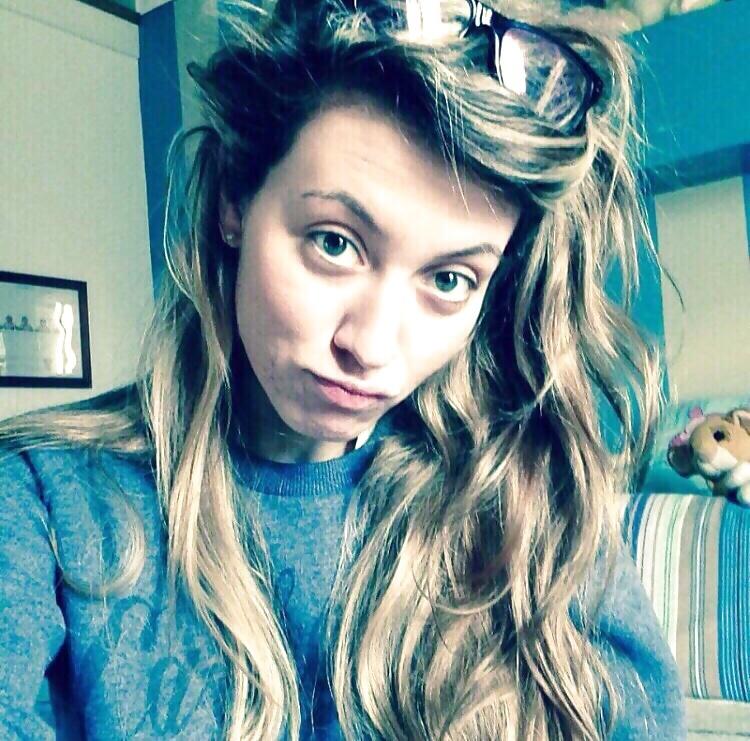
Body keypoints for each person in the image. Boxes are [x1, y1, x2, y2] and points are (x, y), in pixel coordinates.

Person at [0, 1, 686, 739]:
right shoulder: (43, 498)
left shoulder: (530, 502)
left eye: (449, 279)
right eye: (334, 242)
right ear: (234, 199)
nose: (373, 346)